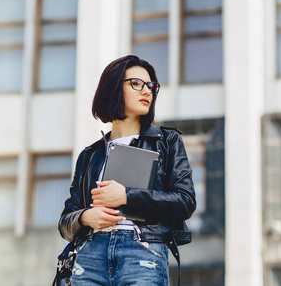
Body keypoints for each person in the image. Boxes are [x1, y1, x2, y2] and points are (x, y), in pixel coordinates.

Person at [58, 55, 196, 286]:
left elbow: (185, 201)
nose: (147, 91)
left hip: (142, 254)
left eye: (151, 86)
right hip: (90, 255)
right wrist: (84, 217)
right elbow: (65, 222)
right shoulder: (90, 155)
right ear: (113, 88)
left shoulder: (167, 142)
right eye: (136, 84)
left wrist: (126, 196)